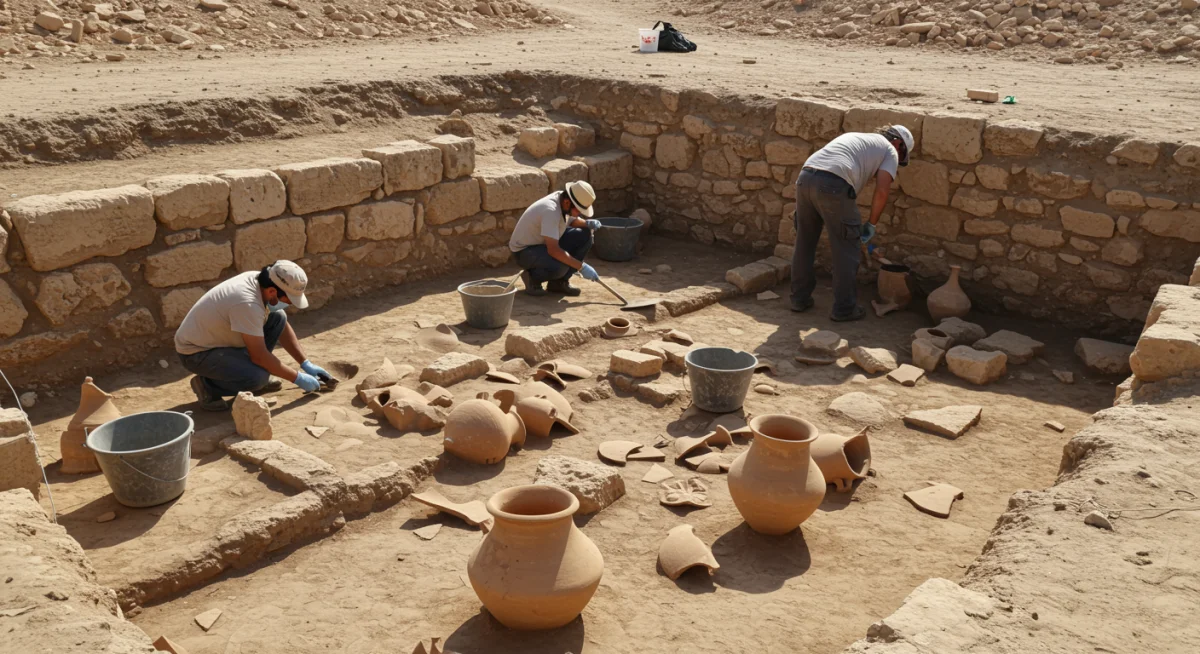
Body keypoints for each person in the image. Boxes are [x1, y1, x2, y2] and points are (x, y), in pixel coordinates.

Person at [790, 125, 915, 322]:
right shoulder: (889, 149)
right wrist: (871, 224)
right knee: (846, 248)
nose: (897, 162)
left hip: (805, 178)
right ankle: (845, 308)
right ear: (898, 144)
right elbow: (882, 190)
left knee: (804, 242)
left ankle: (798, 298)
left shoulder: (857, 137)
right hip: (833, 183)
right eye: (901, 157)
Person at [175, 260, 332, 411]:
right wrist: (297, 378)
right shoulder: (247, 304)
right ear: (272, 292)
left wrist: (305, 363)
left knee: (278, 317)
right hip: (198, 353)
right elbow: (259, 356)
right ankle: (208, 386)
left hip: (222, 341)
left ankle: (250, 372)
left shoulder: (262, 282)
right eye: (289, 300)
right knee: (257, 379)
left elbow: (282, 328)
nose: (290, 304)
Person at [508, 180, 603, 297]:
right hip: (525, 251)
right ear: (568, 202)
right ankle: (532, 277)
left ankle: (558, 283)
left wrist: (587, 223)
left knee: (584, 234)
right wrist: (581, 267)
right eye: (578, 210)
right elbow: (553, 250)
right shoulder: (550, 211)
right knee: (560, 267)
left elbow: (571, 221)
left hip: (542, 243)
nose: (579, 214)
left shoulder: (563, 200)